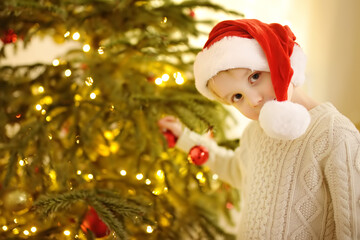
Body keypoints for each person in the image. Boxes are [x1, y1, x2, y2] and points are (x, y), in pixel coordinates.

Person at [158, 19, 360, 239]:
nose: (253, 101)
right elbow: (236, 169)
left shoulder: (336, 135)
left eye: (255, 77)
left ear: (278, 61)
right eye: (237, 97)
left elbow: (352, 228)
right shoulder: (255, 133)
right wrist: (185, 139)